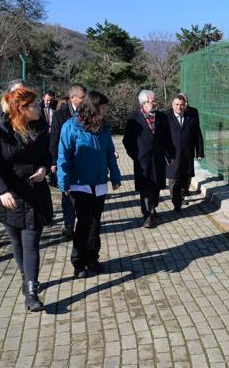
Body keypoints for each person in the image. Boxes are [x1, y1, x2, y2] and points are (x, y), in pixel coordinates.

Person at [0, 88, 52, 312]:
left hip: (34, 194)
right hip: (9, 196)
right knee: (16, 240)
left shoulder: (40, 127)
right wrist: (2, 191)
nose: (39, 108)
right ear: (21, 109)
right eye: (34, 105)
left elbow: (46, 154)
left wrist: (43, 169)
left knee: (31, 242)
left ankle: (31, 292)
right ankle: (25, 276)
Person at [57, 91, 121, 278]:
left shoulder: (104, 128)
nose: (105, 110)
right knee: (84, 222)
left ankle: (93, 257)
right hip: (79, 184)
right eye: (102, 107)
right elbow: (64, 155)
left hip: (99, 182)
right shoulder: (71, 127)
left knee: (95, 222)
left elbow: (110, 152)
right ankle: (79, 262)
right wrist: (64, 182)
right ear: (93, 107)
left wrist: (115, 176)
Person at [123, 90, 174, 229]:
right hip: (142, 160)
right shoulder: (133, 117)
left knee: (156, 186)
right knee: (145, 188)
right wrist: (136, 155)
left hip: (158, 158)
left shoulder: (162, 117)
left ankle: (153, 207)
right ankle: (148, 216)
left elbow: (168, 137)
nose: (155, 103)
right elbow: (127, 140)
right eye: (152, 101)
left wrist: (171, 154)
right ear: (144, 103)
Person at [49, 84, 86, 238]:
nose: (85, 100)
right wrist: (54, 162)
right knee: (67, 193)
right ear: (73, 98)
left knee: (83, 194)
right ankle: (69, 225)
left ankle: (84, 222)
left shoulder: (88, 113)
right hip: (67, 161)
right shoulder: (60, 115)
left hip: (84, 161)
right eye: (82, 97)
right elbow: (54, 141)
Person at [166, 94, 204, 211]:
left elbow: (198, 135)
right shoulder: (166, 118)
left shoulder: (191, 118)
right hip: (172, 155)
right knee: (173, 179)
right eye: (177, 104)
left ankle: (182, 196)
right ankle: (176, 202)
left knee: (186, 178)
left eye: (182, 105)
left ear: (185, 105)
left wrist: (200, 152)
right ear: (172, 105)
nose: (179, 107)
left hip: (187, 154)